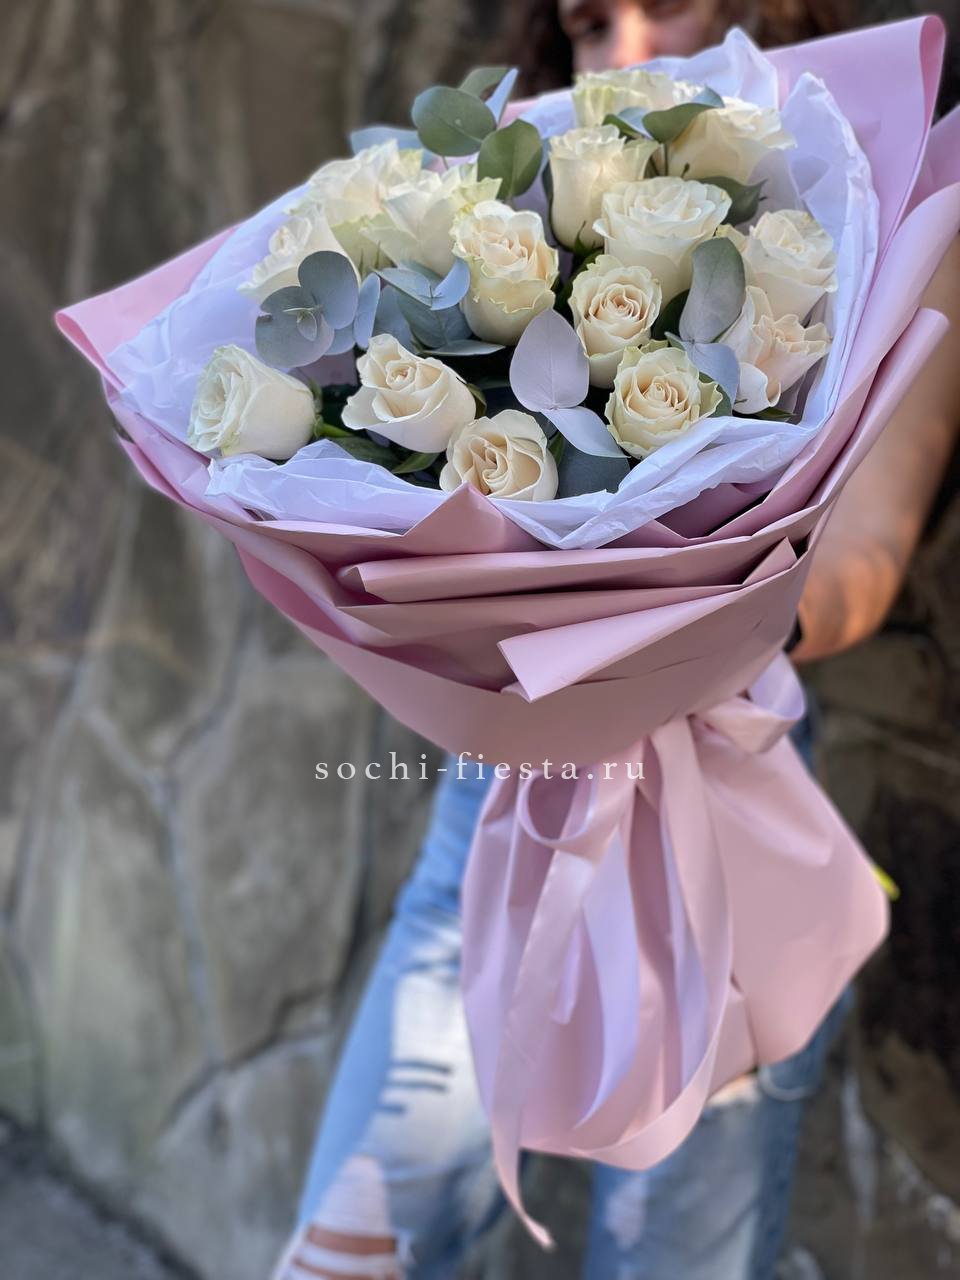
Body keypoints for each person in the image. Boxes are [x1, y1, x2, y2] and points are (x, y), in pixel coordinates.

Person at [275, 4, 960, 1276]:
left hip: (718, 825)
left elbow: (862, 558)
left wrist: (681, 627)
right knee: (344, 1252)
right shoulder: (514, 228)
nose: (630, 55)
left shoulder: (891, 215)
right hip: (495, 811)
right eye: (592, 23)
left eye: (673, 5)